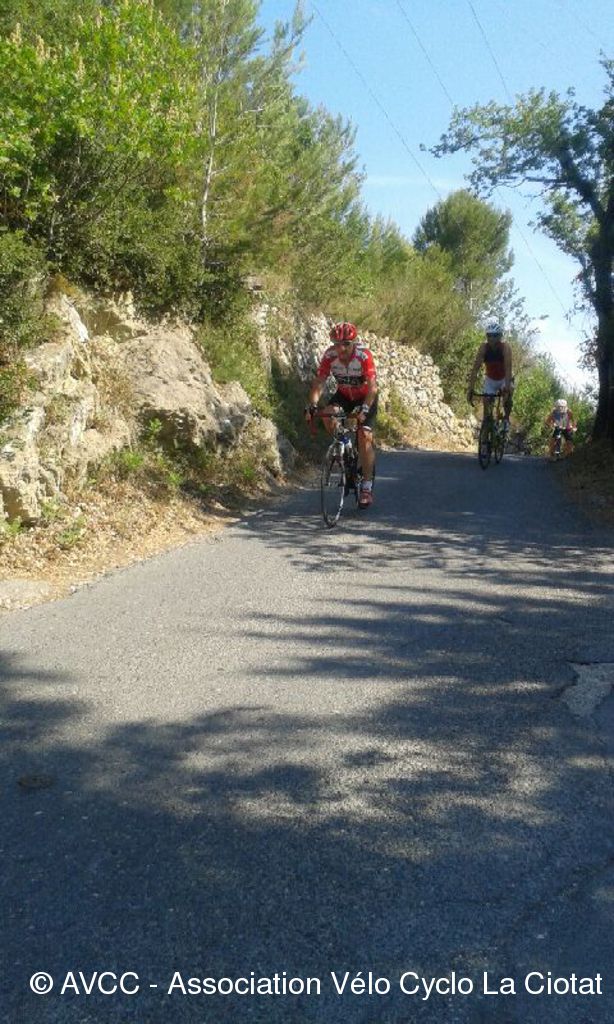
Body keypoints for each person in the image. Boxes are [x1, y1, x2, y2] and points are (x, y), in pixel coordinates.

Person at [305, 321, 378, 508]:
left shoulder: (363, 356)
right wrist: (312, 404)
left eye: (346, 344)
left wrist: (364, 409)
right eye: (337, 344)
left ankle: (367, 487)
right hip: (344, 395)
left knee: (364, 435)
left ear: (354, 342)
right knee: (327, 414)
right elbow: (320, 381)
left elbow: (372, 387)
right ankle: (344, 446)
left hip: (365, 397)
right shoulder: (330, 355)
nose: (341, 348)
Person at [466, 319, 513, 430]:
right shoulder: (484, 348)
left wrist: (507, 389)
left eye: (495, 336)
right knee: (487, 406)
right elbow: (475, 369)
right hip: (490, 379)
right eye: (489, 335)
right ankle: (486, 428)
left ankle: (506, 419)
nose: (492, 338)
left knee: (508, 396)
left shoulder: (505, 348)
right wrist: (470, 389)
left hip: (504, 378)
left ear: (500, 336)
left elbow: (508, 369)